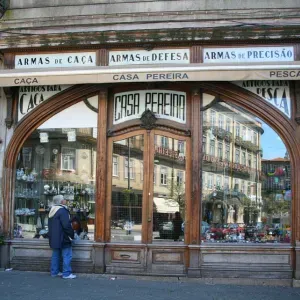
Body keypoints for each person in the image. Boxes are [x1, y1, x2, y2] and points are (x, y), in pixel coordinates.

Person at [48, 195, 76, 279]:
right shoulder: (62, 211)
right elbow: (66, 225)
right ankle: (66, 273)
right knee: (67, 255)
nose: (65, 200)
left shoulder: (52, 210)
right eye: (64, 199)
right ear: (61, 201)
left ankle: (54, 272)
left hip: (54, 237)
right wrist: (72, 235)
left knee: (55, 255)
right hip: (63, 237)